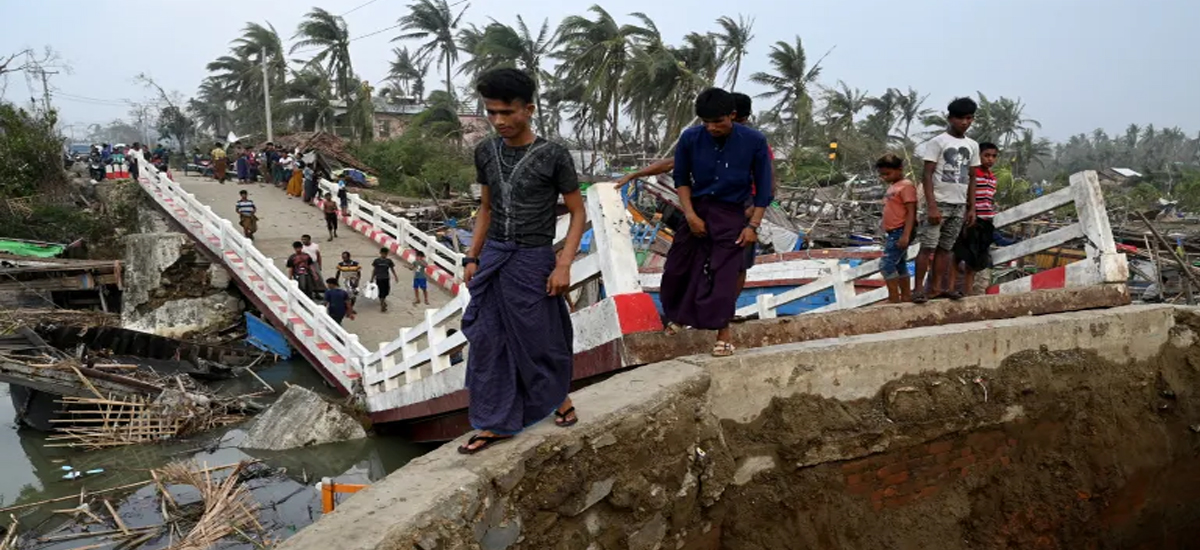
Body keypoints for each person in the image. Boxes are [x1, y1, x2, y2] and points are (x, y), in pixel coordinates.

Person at [458, 67, 586, 455]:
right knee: (488, 340)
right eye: (491, 112)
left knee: (539, 336)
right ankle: (495, 422)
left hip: (533, 257)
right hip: (495, 255)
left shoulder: (553, 154)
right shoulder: (485, 151)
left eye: (506, 113)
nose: (498, 121)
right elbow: (486, 207)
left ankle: (557, 396)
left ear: (528, 109)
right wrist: (471, 256)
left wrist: (563, 264)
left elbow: (578, 213)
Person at [660, 87, 772, 358]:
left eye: (718, 122)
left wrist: (752, 227)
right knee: (678, 267)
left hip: (732, 213)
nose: (712, 128)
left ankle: (723, 334)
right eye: (706, 122)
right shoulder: (691, 138)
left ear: (732, 115)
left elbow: (766, 188)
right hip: (696, 208)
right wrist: (690, 215)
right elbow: (682, 179)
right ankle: (678, 316)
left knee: (724, 275)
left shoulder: (754, 141)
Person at [912, 97, 981, 303]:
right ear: (950, 118)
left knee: (946, 249)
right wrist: (931, 206)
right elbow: (927, 175)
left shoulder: (972, 145)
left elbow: (972, 177)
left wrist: (972, 208)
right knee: (927, 247)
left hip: (959, 204)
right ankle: (918, 290)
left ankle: (936, 288)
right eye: (960, 118)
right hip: (939, 202)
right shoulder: (937, 142)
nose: (965, 122)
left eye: (969, 118)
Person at [952, 142, 1000, 296]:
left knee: (974, 261)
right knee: (958, 256)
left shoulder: (992, 178)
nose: (990, 159)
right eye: (986, 155)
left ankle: (967, 292)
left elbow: (989, 200)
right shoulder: (971, 175)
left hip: (985, 221)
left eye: (993, 156)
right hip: (970, 220)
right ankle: (952, 289)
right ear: (978, 156)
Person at [877, 154, 918, 303]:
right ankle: (906, 296)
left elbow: (911, 211)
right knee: (900, 264)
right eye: (882, 175)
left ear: (899, 169)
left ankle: (894, 298)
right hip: (893, 231)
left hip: (900, 230)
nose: (884, 177)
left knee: (886, 264)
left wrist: (906, 234)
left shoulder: (906, 186)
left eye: (887, 174)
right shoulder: (893, 187)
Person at [371, 247, 398, 312]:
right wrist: (372, 278)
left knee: (386, 291)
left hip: (386, 278)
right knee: (381, 291)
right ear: (380, 253)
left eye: (385, 254)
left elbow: (392, 269)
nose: (384, 255)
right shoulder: (376, 261)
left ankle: (382, 301)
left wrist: (395, 276)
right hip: (379, 278)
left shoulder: (389, 261)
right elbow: (374, 270)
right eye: (383, 253)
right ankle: (382, 304)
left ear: (387, 254)